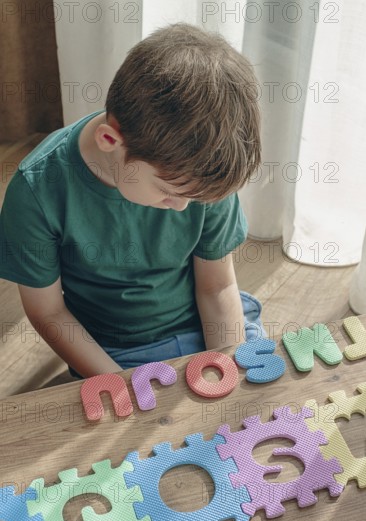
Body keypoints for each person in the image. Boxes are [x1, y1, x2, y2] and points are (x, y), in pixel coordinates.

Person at [0, 23, 266, 379]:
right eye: (169, 192)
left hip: (205, 320)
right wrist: (118, 384)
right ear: (110, 139)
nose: (182, 207)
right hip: (111, 349)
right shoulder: (37, 191)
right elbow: (49, 313)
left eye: (193, 197)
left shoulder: (198, 175)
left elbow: (217, 288)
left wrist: (226, 365)